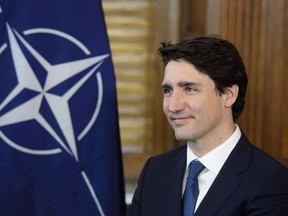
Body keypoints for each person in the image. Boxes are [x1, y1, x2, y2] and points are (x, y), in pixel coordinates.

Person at [125, 35, 288, 216]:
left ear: (228, 94)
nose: (173, 106)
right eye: (168, 90)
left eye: (189, 89)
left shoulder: (270, 181)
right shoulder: (155, 170)